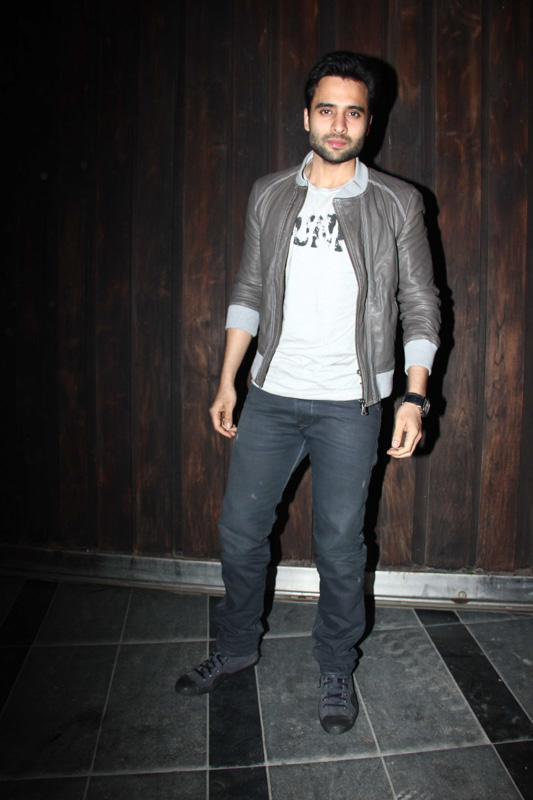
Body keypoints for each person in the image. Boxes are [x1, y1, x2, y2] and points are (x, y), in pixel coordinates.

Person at [175, 51, 440, 735]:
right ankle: (237, 646)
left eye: (353, 112)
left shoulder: (397, 202)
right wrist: (228, 379)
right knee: (240, 533)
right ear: (306, 116)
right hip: (271, 396)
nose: (338, 123)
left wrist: (413, 398)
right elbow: (248, 288)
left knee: (340, 545)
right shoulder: (268, 193)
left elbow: (419, 303)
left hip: (352, 403)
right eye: (326, 109)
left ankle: (335, 664)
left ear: (369, 123)